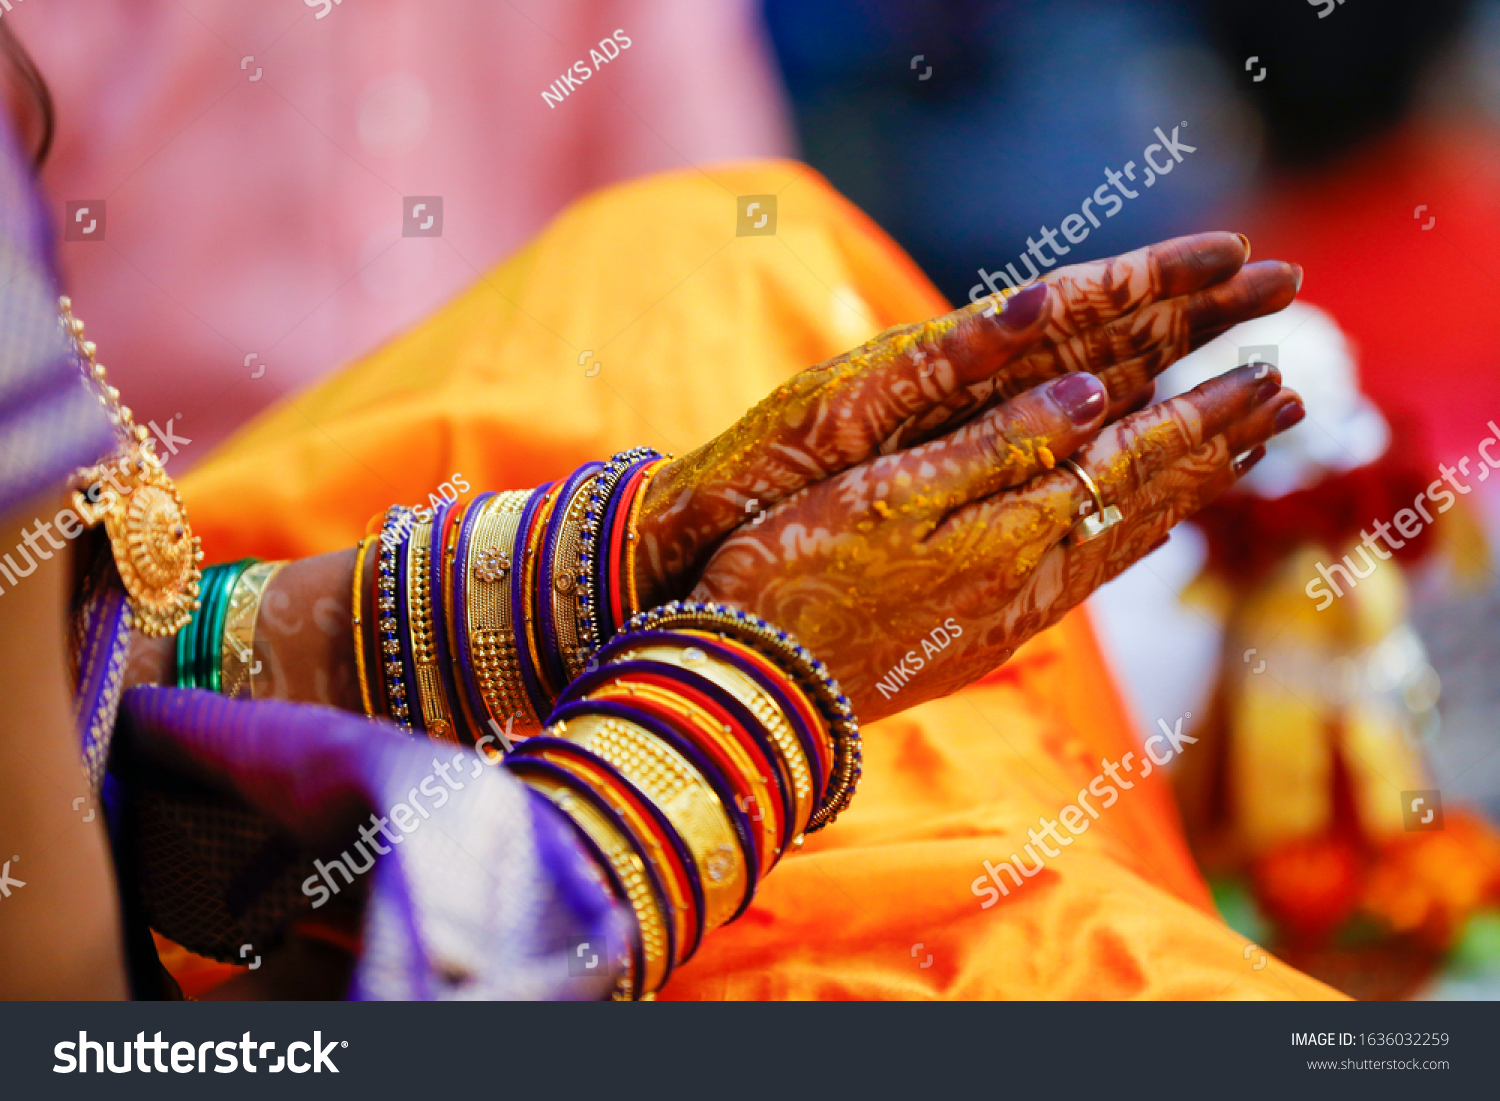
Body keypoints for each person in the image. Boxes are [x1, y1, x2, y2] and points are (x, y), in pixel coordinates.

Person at [0, 27, 1328, 999]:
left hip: (389, 541)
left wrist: (627, 561)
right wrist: (724, 712)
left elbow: (70, 710)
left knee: (732, 259)